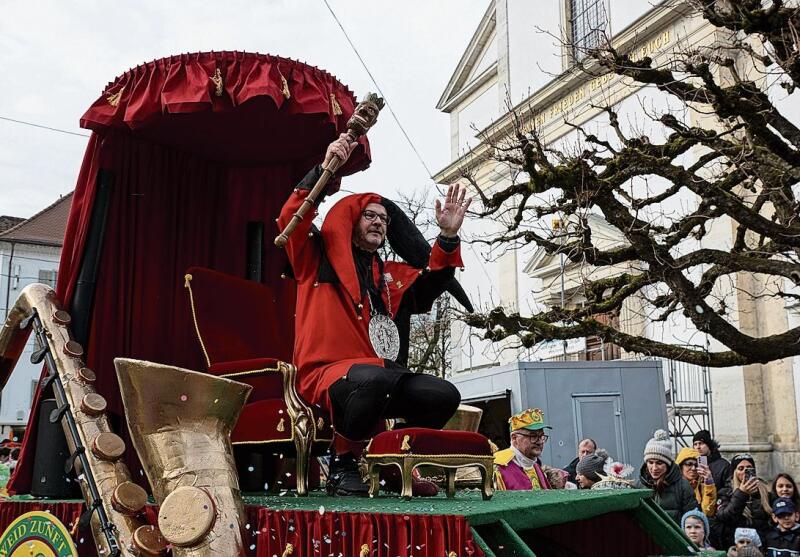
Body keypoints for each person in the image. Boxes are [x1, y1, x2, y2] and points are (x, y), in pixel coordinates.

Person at [278, 135, 472, 496]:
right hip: (323, 373)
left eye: (384, 219)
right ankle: (344, 462)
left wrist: (446, 237)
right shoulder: (313, 258)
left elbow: (430, 289)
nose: (379, 223)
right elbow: (292, 217)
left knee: (442, 394)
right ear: (350, 219)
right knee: (375, 378)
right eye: (370, 215)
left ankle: (392, 462)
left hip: (374, 375)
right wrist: (324, 170)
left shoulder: (389, 276)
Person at [636, 429, 699, 522]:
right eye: (650, 462)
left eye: (659, 463)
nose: (654, 468)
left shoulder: (683, 487)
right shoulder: (639, 485)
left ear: (667, 464)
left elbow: (692, 520)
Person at [714, 454, 773, 549]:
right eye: (740, 468)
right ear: (734, 472)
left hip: (761, 546)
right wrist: (741, 494)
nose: (745, 472)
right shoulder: (725, 493)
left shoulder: (765, 492)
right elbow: (724, 517)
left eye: (749, 468)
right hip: (737, 545)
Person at [493, 408, 555, 491]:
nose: (540, 441)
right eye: (533, 436)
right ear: (514, 438)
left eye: (541, 436)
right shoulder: (499, 467)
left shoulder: (535, 465)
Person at [676, 446, 717, 517]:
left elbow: (708, 512)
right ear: (681, 466)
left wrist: (709, 483)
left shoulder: (702, 485)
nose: (693, 468)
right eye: (689, 464)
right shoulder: (675, 485)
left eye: (696, 465)